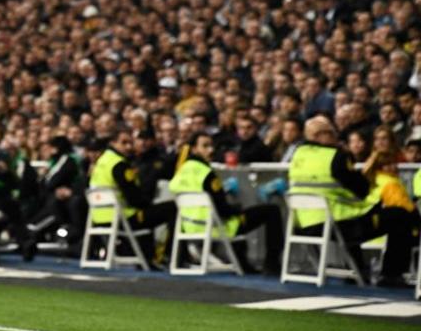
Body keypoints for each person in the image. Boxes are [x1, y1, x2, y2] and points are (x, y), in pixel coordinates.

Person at [288, 115, 418, 287]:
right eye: (331, 133)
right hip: (337, 224)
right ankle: (391, 275)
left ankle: (357, 272)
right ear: (320, 135)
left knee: (355, 213)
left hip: (303, 223)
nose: (335, 137)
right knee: (401, 215)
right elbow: (361, 190)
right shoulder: (336, 156)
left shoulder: (297, 154)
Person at [168, 132, 283, 275]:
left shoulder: (181, 171)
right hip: (214, 227)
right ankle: (272, 264)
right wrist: (236, 209)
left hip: (189, 227)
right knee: (271, 211)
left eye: (211, 146)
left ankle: (243, 264)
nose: (211, 150)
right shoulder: (206, 173)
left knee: (237, 215)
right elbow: (222, 209)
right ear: (194, 149)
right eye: (205, 146)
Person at [87, 129, 176, 266]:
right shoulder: (119, 164)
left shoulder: (102, 161)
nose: (128, 147)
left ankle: (148, 257)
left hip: (98, 217)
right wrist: (148, 204)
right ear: (113, 142)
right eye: (124, 143)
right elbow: (134, 199)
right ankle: (172, 256)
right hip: (122, 218)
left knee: (148, 214)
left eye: (130, 142)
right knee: (172, 208)